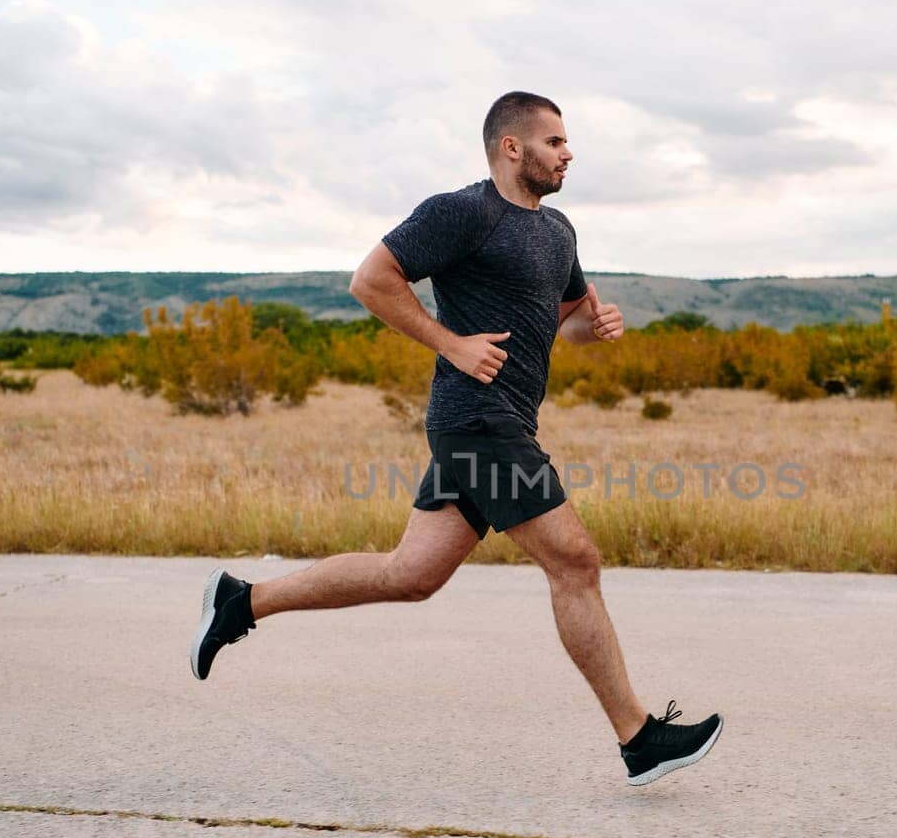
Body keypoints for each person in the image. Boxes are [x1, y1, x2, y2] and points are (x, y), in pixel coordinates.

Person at [190, 91, 722, 787]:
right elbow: (370, 280)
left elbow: (562, 319)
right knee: (575, 559)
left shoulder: (558, 231)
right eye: (555, 142)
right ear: (512, 146)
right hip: (477, 421)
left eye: (567, 144)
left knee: (408, 576)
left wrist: (592, 330)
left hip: (498, 424)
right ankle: (638, 737)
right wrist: (452, 344)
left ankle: (241, 599)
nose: (568, 154)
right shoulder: (462, 212)